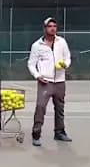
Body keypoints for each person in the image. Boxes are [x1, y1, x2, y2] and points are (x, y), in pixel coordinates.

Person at [27, 17, 72, 146]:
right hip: (44, 82)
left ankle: (59, 132)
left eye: (54, 26)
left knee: (60, 108)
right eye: (49, 26)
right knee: (40, 107)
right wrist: (37, 75)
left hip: (60, 81)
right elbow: (31, 64)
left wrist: (65, 65)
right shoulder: (37, 46)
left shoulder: (62, 42)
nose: (52, 28)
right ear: (44, 28)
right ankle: (36, 134)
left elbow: (67, 57)